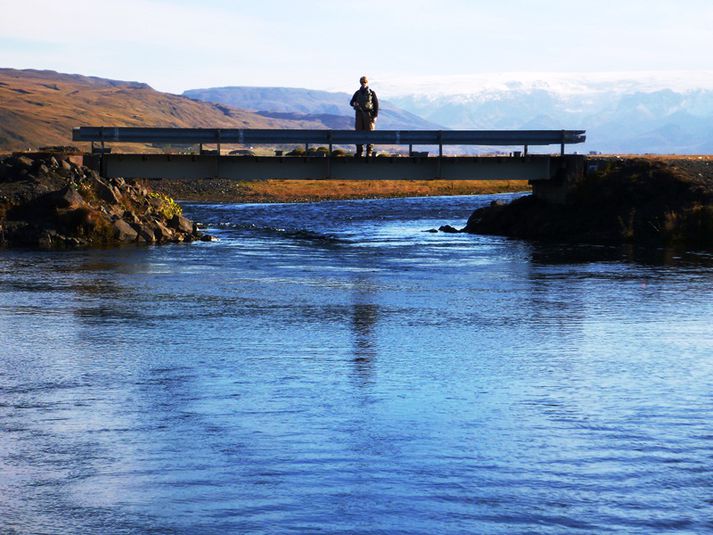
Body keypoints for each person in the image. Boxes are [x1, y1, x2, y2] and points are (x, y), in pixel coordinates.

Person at [349, 76, 379, 157]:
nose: (363, 84)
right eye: (362, 82)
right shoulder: (357, 93)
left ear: (367, 82)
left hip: (369, 115)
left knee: (370, 133)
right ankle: (359, 152)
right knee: (358, 132)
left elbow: (376, 105)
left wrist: (375, 116)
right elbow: (351, 102)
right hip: (359, 114)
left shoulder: (372, 93)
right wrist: (354, 103)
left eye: (364, 82)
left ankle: (369, 152)